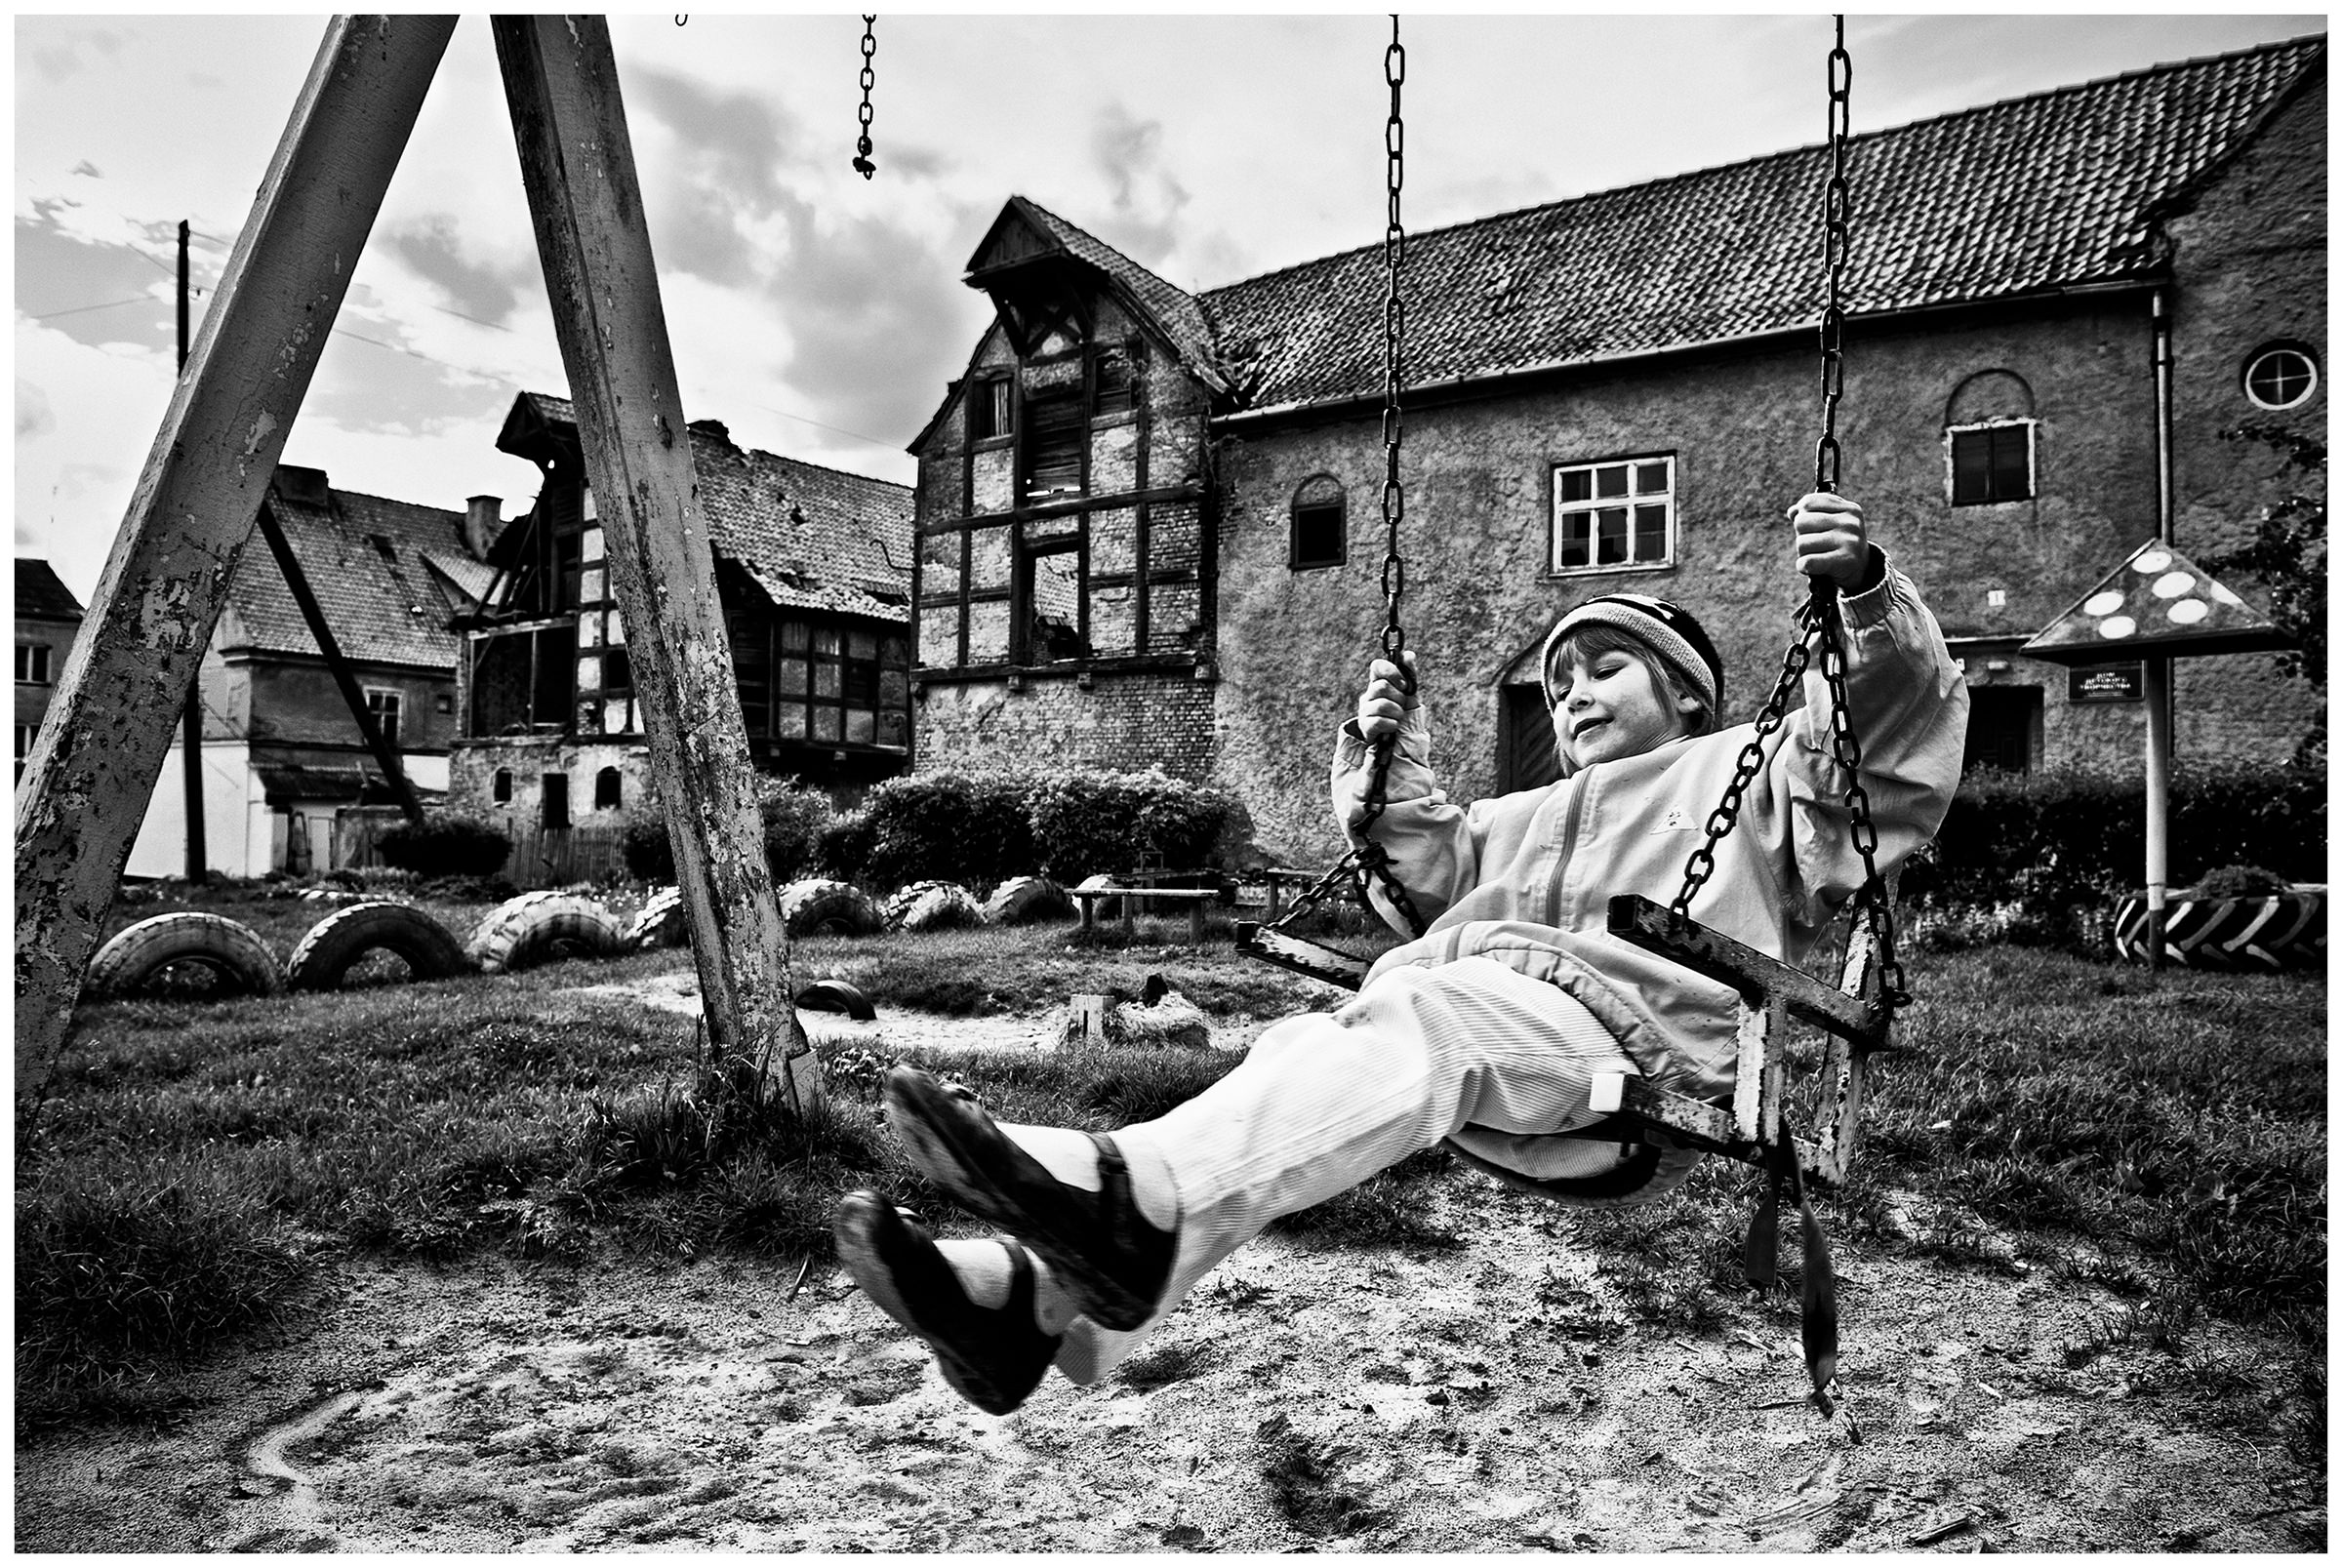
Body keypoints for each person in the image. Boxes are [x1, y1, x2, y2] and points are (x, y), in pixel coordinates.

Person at [833, 491, 1969, 1416]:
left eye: (1607, 671)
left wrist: (1862, 594)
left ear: (1684, 691)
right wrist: (1392, 743)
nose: (1573, 694)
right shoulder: (1524, 815)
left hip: (1641, 1065)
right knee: (1329, 1039)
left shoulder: (1751, 768)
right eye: (1560, 683)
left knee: (1422, 1017)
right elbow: (1422, 855)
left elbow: (1881, 742)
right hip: (1502, 1053)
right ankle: (1026, 1301)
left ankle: (1124, 1206)